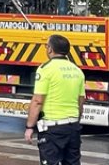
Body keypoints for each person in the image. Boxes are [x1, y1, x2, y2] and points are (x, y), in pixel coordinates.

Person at [24, 34, 85, 165]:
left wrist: (29, 127)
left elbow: (37, 101)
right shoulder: (77, 71)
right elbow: (80, 102)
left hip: (52, 130)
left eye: (46, 46)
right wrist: (75, 122)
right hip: (73, 128)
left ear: (50, 49)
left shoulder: (45, 69)